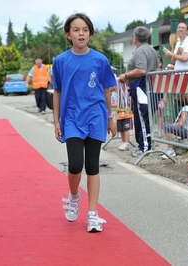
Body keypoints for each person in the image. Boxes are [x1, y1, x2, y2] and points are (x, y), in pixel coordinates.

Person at [52, 13, 117, 232]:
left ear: (90, 34)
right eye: (76, 30)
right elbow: (57, 91)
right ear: (68, 35)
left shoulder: (100, 60)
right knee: (75, 165)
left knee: (92, 166)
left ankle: (92, 214)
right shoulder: (61, 61)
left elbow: (107, 90)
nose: (81, 33)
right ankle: (73, 195)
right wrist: (56, 121)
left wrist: (111, 117)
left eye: (85, 30)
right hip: (71, 117)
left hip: (96, 116)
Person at [118, 26, 159, 157]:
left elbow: (141, 70)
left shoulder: (140, 51)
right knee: (145, 118)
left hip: (141, 87)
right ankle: (146, 145)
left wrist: (126, 76)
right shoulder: (151, 49)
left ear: (135, 38)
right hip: (148, 86)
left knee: (141, 118)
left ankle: (144, 147)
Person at [161, 93, 188, 159]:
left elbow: (181, 123)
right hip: (187, 130)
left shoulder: (186, 108)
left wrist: (174, 125)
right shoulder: (186, 108)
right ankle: (168, 147)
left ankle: (170, 150)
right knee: (166, 124)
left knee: (167, 127)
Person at [111, 79, 133, 151]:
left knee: (126, 129)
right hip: (119, 115)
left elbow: (128, 102)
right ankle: (123, 142)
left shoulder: (127, 93)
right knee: (121, 129)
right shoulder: (117, 95)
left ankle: (127, 142)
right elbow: (116, 104)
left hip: (126, 114)